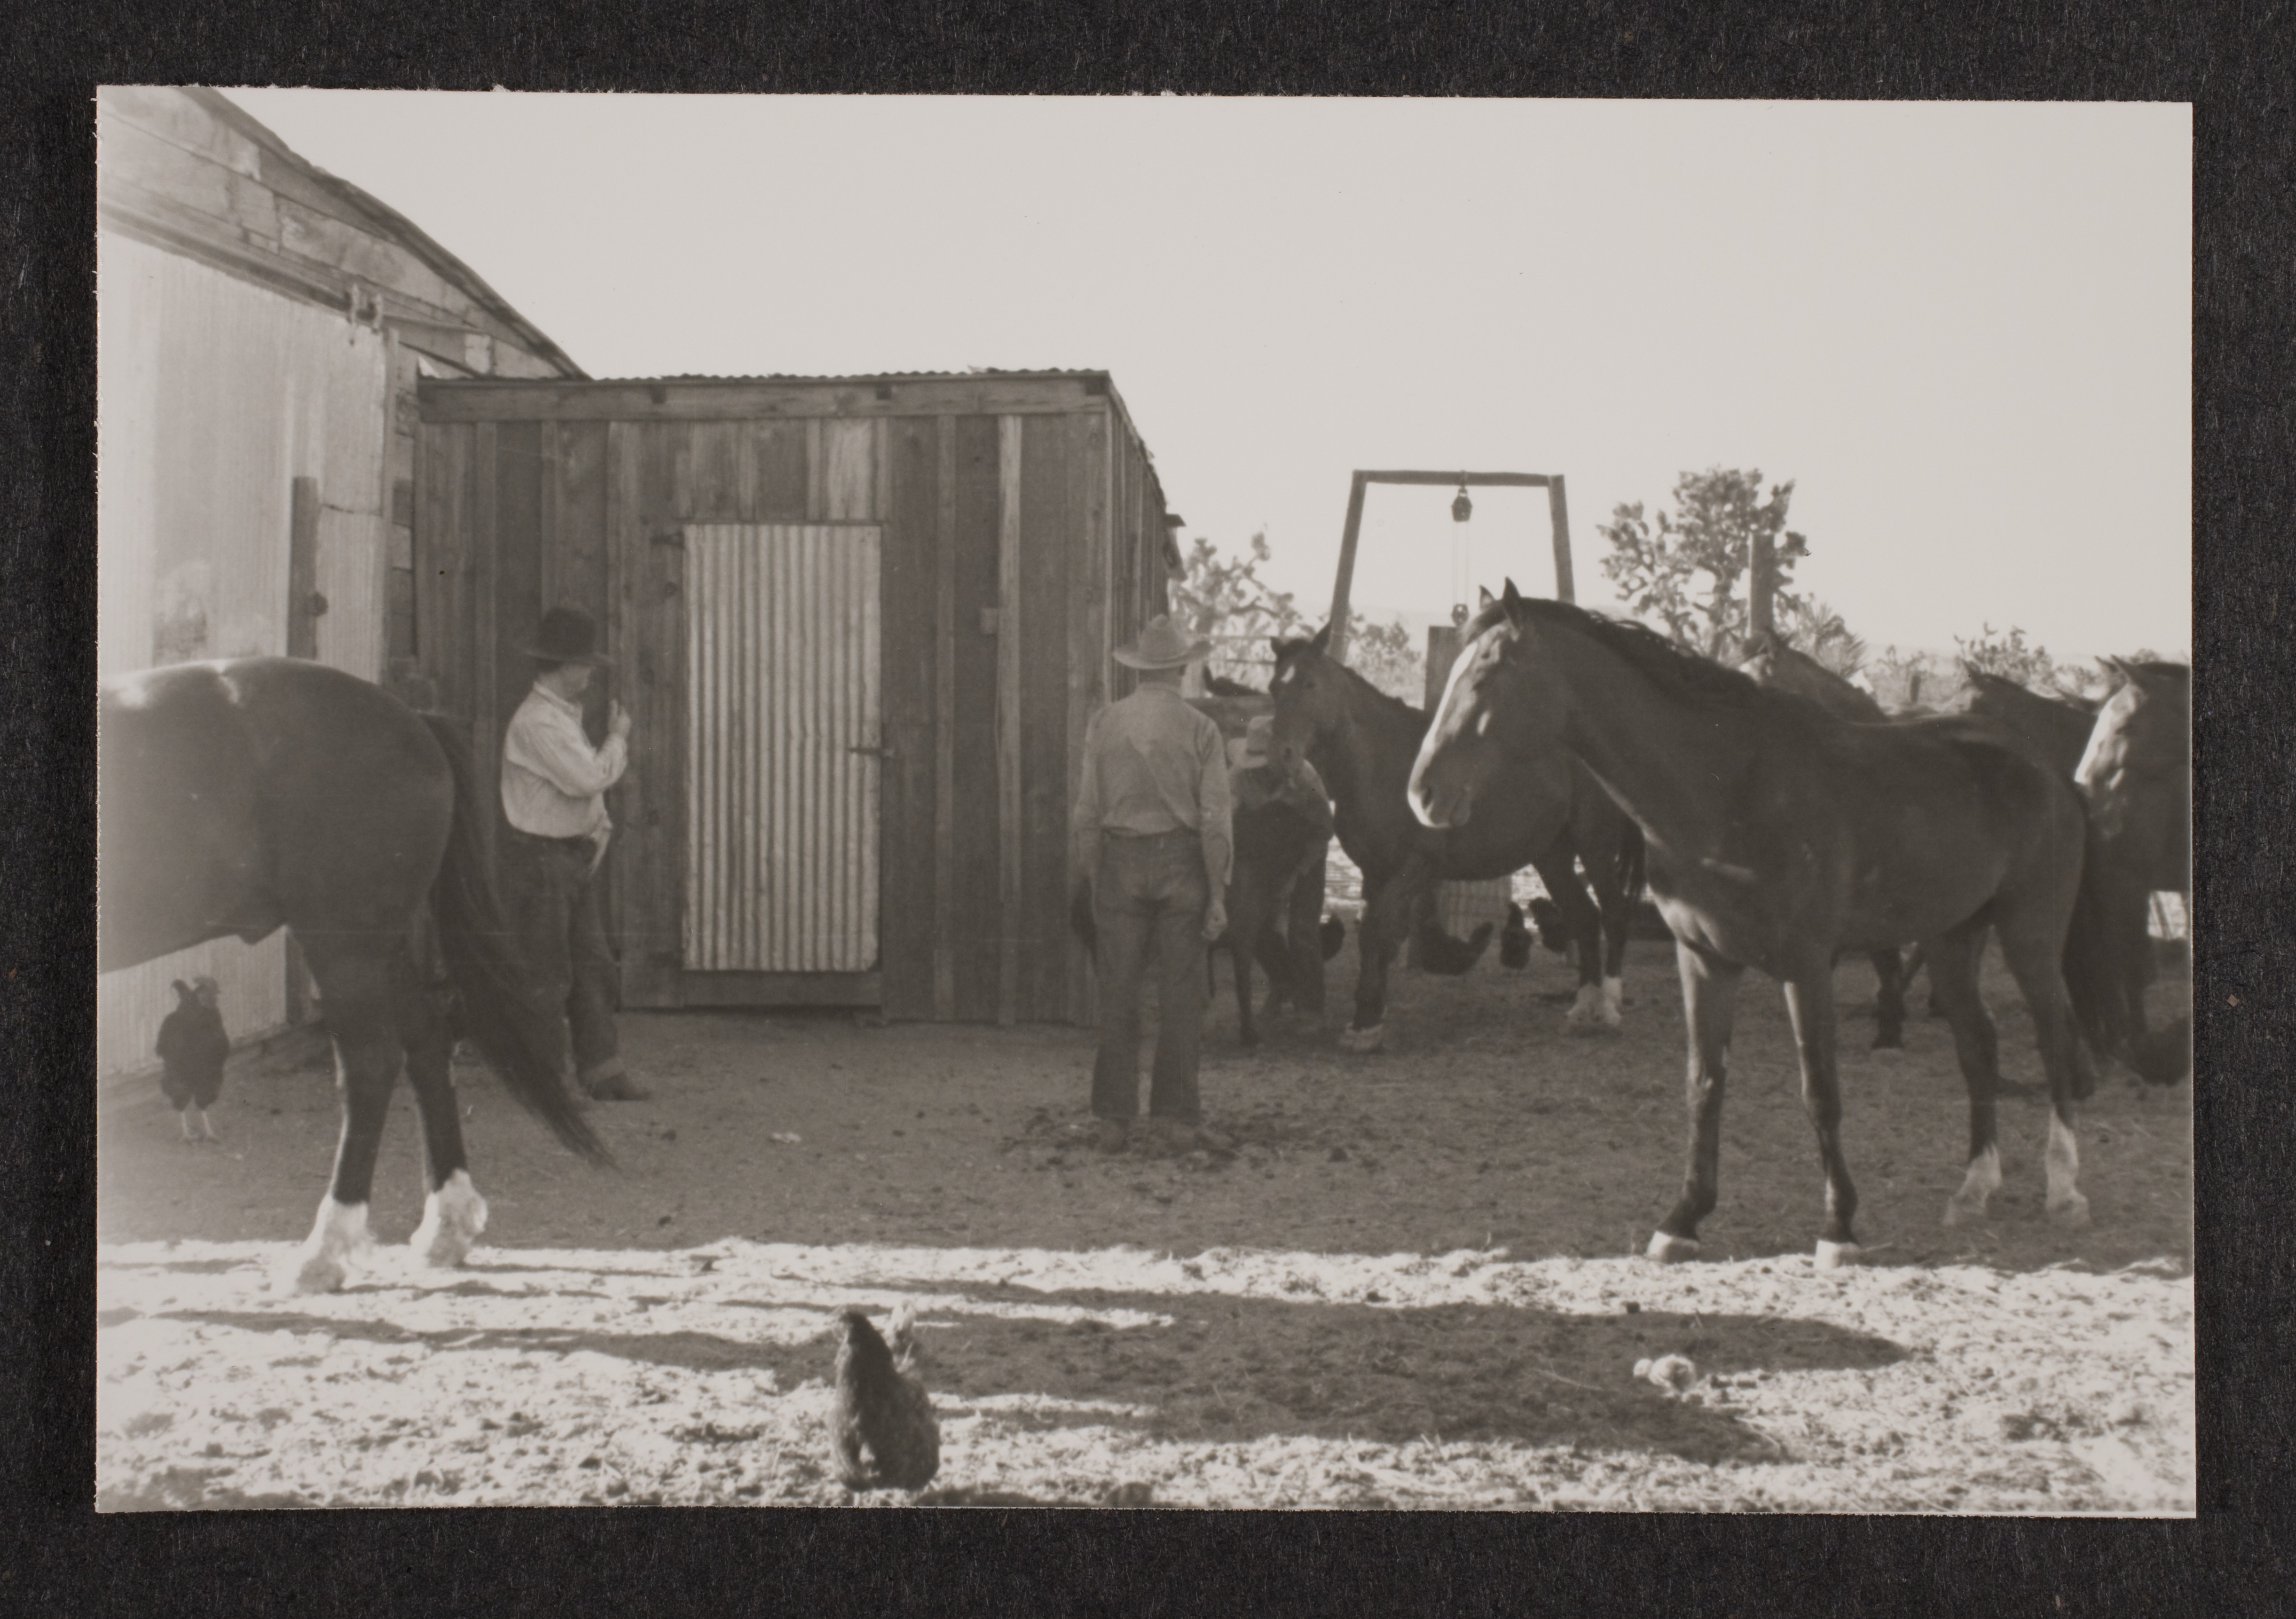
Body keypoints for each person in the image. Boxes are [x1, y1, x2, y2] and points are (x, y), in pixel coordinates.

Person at [1071, 615, 1234, 1155]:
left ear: (1141, 669)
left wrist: (1095, 877)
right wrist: (1218, 893)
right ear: (1183, 668)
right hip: (1181, 861)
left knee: (1117, 993)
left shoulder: (1105, 724)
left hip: (1119, 859)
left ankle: (1113, 1121)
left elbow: (1087, 814)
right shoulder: (1201, 730)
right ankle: (1174, 1121)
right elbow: (1214, 821)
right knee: (1181, 995)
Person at [498, 605, 646, 1102]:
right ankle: (545, 1080)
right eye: (584, 664)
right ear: (562, 666)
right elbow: (588, 780)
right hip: (542, 861)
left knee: (593, 965)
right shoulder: (539, 722)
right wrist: (619, 740)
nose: (589, 672)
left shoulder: (561, 717)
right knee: (548, 972)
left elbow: (586, 796)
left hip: (568, 860)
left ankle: (603, 1071)